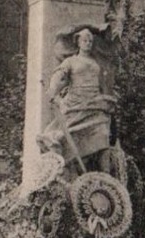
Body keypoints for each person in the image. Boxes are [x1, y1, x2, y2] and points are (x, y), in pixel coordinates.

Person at [38, 28, 116, 167]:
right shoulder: (71, 61)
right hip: (75, 105)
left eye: (90, 41)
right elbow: (59, 76)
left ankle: (105, 177)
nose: (88, 43)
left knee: (103, 136)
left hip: (94, 104)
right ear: (78, 43)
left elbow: (103, 83)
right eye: (85, 41)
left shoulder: (95, 62)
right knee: (67, 137)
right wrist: (53, 91)